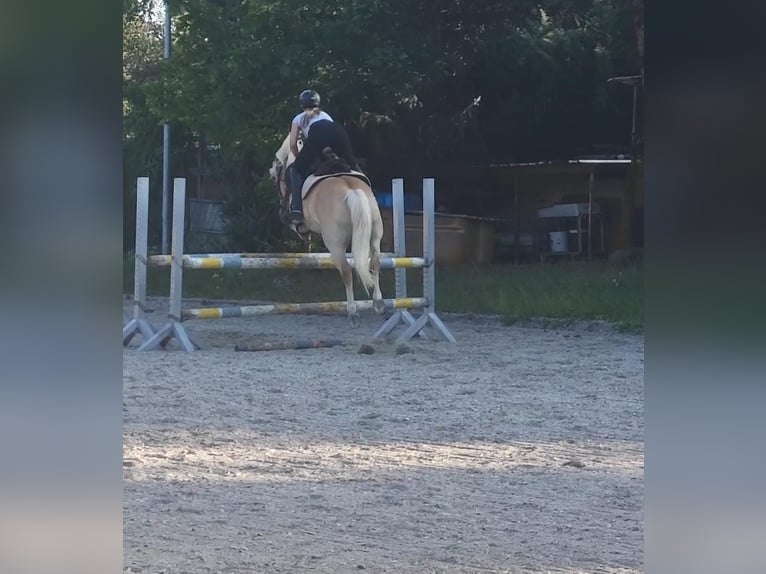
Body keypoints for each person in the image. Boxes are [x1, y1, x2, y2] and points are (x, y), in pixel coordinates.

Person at [286, 89, 360, 223]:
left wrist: (299, 157)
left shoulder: (298, 119)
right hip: (338, 131)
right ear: (318, 103)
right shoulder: (325, 114)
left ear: (302, 105)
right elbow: (329, 141)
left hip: (317, 135)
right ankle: (371, 192)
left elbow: (292, 144)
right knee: (352, 162)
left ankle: (296, 208)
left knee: (295, 170)